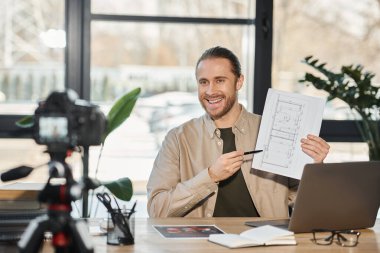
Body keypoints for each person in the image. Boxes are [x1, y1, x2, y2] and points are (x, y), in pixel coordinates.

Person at [147, 46, 330, 218]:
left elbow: (298, 201)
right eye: (204, 82)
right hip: (202, 245)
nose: (210, 91)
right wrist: (210, 176)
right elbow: (157, 209)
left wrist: (315, 168)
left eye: (220, 80)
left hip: (268, 243)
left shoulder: (273, 130)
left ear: (239, 82)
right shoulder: (178, 138)